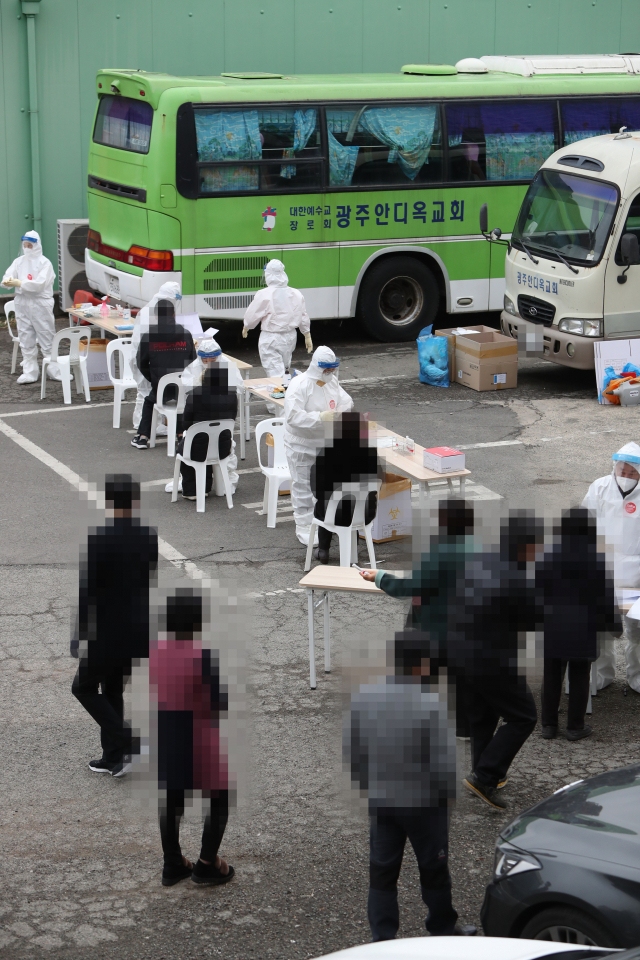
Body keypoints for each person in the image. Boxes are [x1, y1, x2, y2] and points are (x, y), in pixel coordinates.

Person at [344, 631, 477, 942]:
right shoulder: (430, 703)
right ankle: (442, 929)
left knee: (382, 873)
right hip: (424, 804)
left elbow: (353, 750)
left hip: (381, 800)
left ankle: (382, 939)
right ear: (421, 666)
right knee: (434, 870)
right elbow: (443, 761)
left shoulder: (365, 696)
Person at [448, 511, 543, 810]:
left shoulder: (479, 558)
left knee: (482, 716)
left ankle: (483, 775)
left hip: (458, 651)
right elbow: (534, 620)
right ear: (524, 546)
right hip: (493, 659)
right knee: (524, 716)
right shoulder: (517, 578)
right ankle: (486, 776)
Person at [360, 500, 477, 735]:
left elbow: (413, 586)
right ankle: (465, 727)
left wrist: (380, 577)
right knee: (461, 676)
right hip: (467, 628)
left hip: (434, 626)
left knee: (423, 673)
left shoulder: (438, 553)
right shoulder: (478, 549)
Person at [71, 475, 158, 777]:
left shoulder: (100, 538)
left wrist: (78, 634)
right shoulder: (148, 535)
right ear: (135, 502)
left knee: (81, 687)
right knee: (111, 689)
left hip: (106, 631)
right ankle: (113, 758)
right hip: (137, 627)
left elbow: (88, 593)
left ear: (109, 503)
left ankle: (129, 741)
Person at [150, 590, 234, 887]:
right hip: (198, 737)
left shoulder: (156, 651)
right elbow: (219, 702)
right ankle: (207, 863)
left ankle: (172, 862)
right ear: (198, 623)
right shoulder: (202, 656)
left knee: (172, 800)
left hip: (167, 735)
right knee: (220, 795)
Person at [536, 508, 619, 741]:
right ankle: (575, 727)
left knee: (551, 676)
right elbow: (605, 595)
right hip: (583, 627)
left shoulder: (548, 554)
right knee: (580, 675)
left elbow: (537, 592)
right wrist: (614, 625)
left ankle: (549, 726)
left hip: (553, 626)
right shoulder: (595, 556)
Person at [582, 442, 640, 692]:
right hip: (602, 574)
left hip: (635, 579)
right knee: (601, 629)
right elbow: (583, 525)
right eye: (621, 471)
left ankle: (637, 677)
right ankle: (601, 676)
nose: (625, 477)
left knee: (636, 630)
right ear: (614, 467)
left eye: (631, 473)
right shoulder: (600, 487)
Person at [284, 346, 354, 545]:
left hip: (324, 443)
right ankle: (304, 526)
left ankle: (322, 524)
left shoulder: (332, 382)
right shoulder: (299, 385)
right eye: (327, 369)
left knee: (323, 486)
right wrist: (321, 417)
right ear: (316, 367)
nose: (330, 373)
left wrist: (341, 411)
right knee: (302, 485)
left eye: (333, 369)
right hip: (301, 444)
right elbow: (293, 416)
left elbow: (346, 400)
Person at [310, 411, 382, 563]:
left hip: (334, 514)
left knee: (323, 503)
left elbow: (316, 489)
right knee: (355, 502)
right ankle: (352, 553)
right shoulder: (370, 451)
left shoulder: (328, 452)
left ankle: (323, 550)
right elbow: (379, 479)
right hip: (365, 512)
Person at [242, 259, 312, 413]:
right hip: (290, 337)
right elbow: (303, 315)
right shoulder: (295, 293)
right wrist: (306, 333)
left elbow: (252, 314)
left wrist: (247, 326)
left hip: (271, 337)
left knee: (275, 374)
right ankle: (278, 404)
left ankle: (282, 409)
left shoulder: (265, 294)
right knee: (284, 371)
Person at [132, 299, 196, 450]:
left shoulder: (149, 336)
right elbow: (193, 361)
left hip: (160, 387)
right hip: (181, 386)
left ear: (155, 316)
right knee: (181, 402)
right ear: (174, 314)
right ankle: (181, 433)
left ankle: (143, 437)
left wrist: (154, 378)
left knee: (149, 402)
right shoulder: (185, 334)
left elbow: (140, 362)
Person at [1, 231, 61, 383]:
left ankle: (54, 370)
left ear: (37, 245)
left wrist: (20, 283)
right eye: (25, 245)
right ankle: (30, 372)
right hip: (22, 302)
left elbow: (40, 285)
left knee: (46, 336)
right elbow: (7, 277)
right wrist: (8, 281)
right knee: (25, 337)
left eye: (30, 245)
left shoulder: (44, 263)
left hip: (40, 303)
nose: (27, 248)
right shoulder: (18, 262)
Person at [178, 364, 239, 501]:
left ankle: (192, 490)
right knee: (205, 444)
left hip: (197, 448)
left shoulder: (195, 394)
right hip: (222, 449)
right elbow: (232, 418)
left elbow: (186, 424)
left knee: (187, 447)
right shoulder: (232, 394)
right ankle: (207, 486)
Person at [130, 281, 183, 433]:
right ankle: (143, 424)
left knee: (147, 391)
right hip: (145, 359)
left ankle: (147, 423)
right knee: (146, 391)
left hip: (144, 357)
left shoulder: (152, 309)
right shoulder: (153, 314)